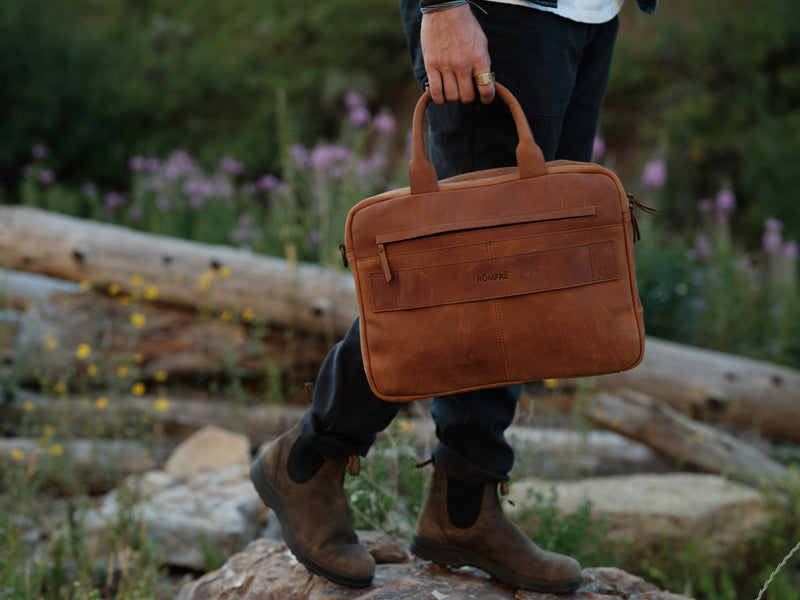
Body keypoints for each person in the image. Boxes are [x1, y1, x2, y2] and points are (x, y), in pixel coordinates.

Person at [250, 0, 657, 594]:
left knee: (519, 274)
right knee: (462, 277)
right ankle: (310, 460)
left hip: (587, 15)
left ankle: (464, 505)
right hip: (500, 13)